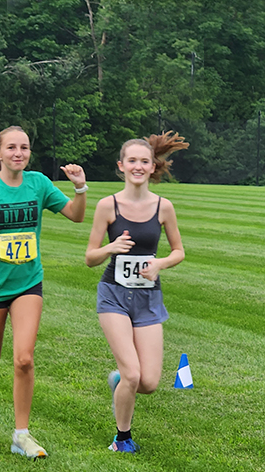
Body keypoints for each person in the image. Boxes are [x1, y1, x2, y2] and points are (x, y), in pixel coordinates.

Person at [0, 126, 87, 459]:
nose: (19, 153)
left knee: (24, 359)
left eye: (24, 147)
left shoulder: (38, 183)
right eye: (11, 147)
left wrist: (80, 188)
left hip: (28, 283)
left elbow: (76, 215)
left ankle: (21, 435)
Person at [85, 131, 187, 454]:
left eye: (144, 161)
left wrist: (160, 264)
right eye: (132, 161)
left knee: (149, 382)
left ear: (152, 165)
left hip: (148, 298)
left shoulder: (163, 207)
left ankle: (119, 381)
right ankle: (122, 438)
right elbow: (89, 257)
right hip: (113, 295)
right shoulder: (108, 205)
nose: (138, 166)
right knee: (133, 372)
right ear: (121, 165)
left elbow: (178, 251)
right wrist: (111, 247)